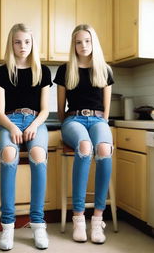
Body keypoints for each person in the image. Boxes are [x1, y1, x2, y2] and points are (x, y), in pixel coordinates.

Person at [0, 23, 52, 250]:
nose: (22, 46)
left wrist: (34, 125)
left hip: (36, 121)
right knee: (8, 155)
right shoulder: (3, 71)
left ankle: (38, 224)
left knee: (38, 155)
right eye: (17, 41)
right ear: (11, 44)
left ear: (32, 43)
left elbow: (45, 110)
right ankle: (7, 226)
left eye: (27, 41)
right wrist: (13, 128)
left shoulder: (42, 71)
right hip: (10, 122)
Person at [53, 24, 114, 244]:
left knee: (104, 148)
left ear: (93, 42)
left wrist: (101, 126)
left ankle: (97, 219)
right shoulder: (65, 69)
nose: (83, 45)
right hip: (73, 119)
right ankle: (78, 217)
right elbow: (60, 108)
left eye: (87, 41)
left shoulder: (104, 69)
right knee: (85, 146)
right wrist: (67, 124)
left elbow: (106, 111)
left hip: (98, 119)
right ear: (74, 45)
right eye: (78, 42)